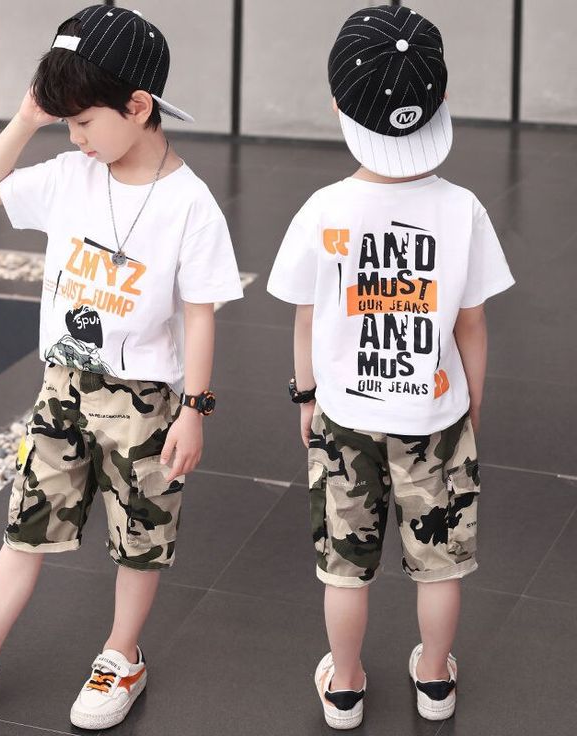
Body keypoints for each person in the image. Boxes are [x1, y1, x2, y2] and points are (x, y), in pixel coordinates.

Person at [0, 6, 242, 730]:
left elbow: (202, 313)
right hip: (64, 388)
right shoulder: (71, 175)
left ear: (137, 107)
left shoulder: (190, 205)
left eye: (82, 121)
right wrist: (27, 119)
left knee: (140, 535)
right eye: (66, 123)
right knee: (27, 520)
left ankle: (121, 656)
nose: (75, 137)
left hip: (145, 399)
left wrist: (195, 411)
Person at [267, 5, 514, 730]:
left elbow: (305, 317)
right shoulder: (463, 209)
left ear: (338, 104)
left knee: (344, 570)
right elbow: (472, 323)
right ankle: (434, 680)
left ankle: (344, 686)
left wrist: (306, 396)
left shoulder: (323, 209)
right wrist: (471, 406)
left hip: (344, 418)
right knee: (440, 565)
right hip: (436, 417)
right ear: (441, 100)